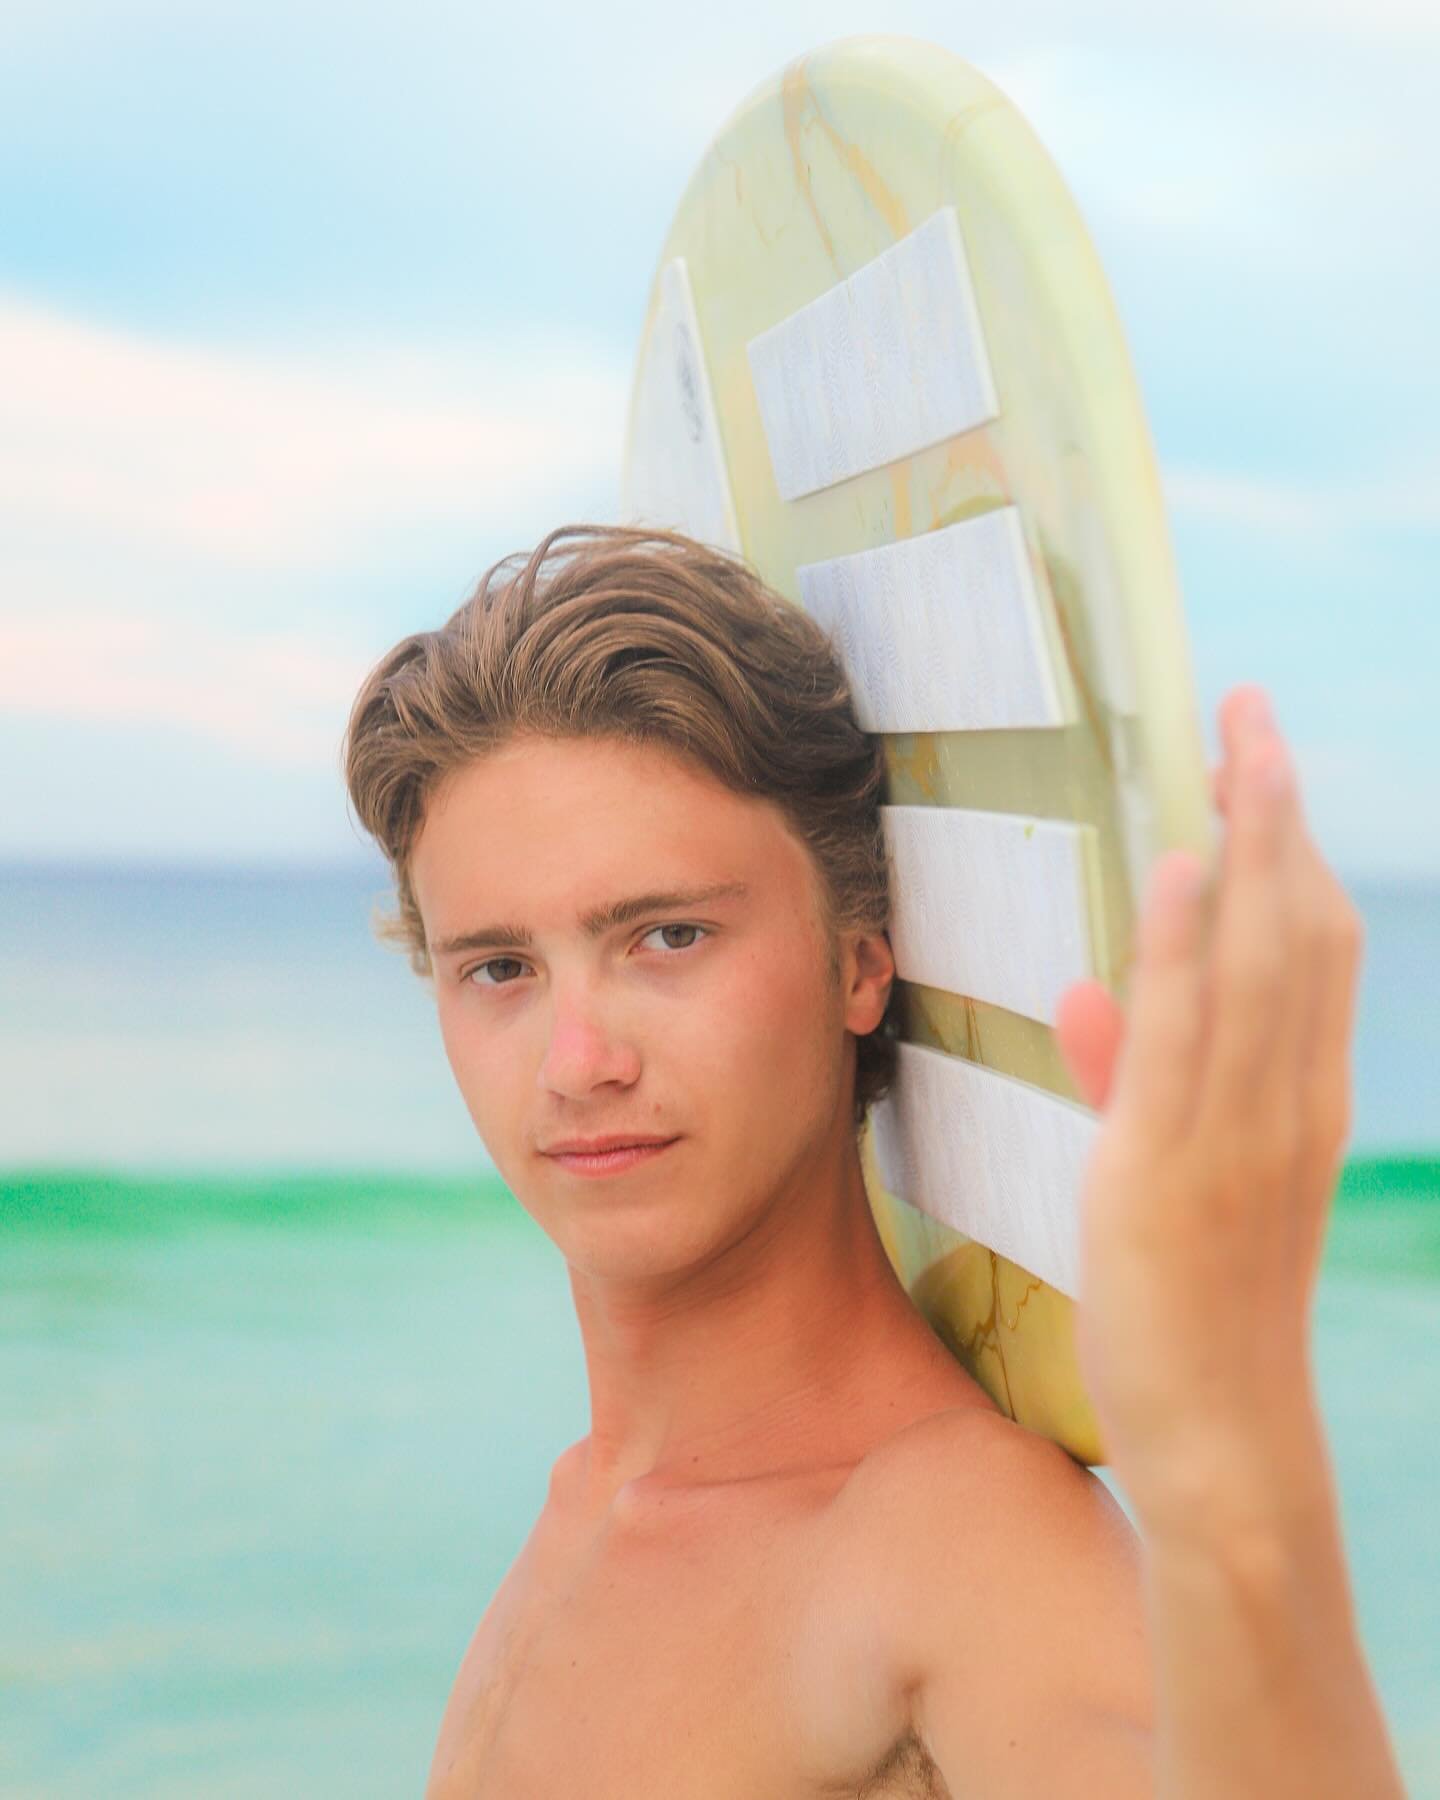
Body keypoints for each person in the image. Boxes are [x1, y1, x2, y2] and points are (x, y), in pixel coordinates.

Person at [342, 521, 1404, 1797]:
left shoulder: (956, 1541)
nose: (578, 1059)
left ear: (859, 959)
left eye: (668, 937)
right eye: (500, 969)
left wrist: (1240, 1458)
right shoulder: (594, 1502)